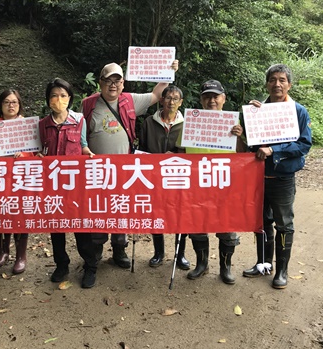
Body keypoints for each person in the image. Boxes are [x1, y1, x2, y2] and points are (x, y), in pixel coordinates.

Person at [79, 60, 178, 288]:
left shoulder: (130, 100)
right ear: (100, 82)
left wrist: (168, 72)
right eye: (108, 80)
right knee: (98, 215)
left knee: (121, 210)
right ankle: (92, 263)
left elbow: (156, 94)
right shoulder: (88, 104)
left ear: (122, 83)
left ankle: (119, 251)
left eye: (117, 80)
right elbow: (78, 131)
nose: (112, 85)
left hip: (124, 171)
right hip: (97, 172)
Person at [242, 64, 312, 289]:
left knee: (283, 224)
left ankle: (282, 270)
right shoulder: (258, 109)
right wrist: (245, 127)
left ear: (289, 85)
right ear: (267, 84)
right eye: (272, 80)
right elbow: (250, 145)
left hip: (282, 178)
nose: (277, 84)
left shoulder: (299, 111)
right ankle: (263, 263)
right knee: (261, 222)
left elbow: (304, 144)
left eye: (282, 80)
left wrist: (275, 150)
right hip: (258, 177)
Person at [184, 80, 245, 285]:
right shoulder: (190, 123)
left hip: (225, 185)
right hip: (198, 184)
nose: (212, 100)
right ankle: (201, 264)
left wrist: (240, 136)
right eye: (207, 96)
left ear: (223, 99)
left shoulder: (233, 125)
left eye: (215, 96)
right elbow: (180, 153)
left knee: (227, 227)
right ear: (201, 99)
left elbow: (245, 156)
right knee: (198, 225)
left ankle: (225, 267)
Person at [38, 78, 94, 283]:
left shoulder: (79, 120)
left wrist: (87, 152)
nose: (58, 99)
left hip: (76, 184)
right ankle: (61, 265)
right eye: (54, 95)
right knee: (57, 228)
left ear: (70, 98)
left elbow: (83, 144)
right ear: (48, 100)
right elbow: (40, 150)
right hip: (53, 185)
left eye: (63, 95)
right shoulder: (42, 124)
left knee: (82, 227)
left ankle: (90, 266)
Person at [138, 85, 190, 271]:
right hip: (153, 178)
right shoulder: (148, 123)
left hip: (178, 177)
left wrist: (174, 154)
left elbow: (190, 153)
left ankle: (180, 254)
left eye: (176, 98)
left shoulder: (187, 125)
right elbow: (142, 150)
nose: (171, 102)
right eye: (168, 98)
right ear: (161, 100)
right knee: (156, 214)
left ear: (181, 102)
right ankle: (158, 253)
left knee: (180, 215)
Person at [0, 89, 32, 275]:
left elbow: (34, 151)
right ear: (0, 105)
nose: (11, 105)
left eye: (14, 102)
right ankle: (2, 251)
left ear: (19, 104)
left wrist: (23, 154)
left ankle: (20, 256)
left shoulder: (26, 125)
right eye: (6, 102)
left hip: (20, 177)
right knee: (1, 211)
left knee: (20, 215)